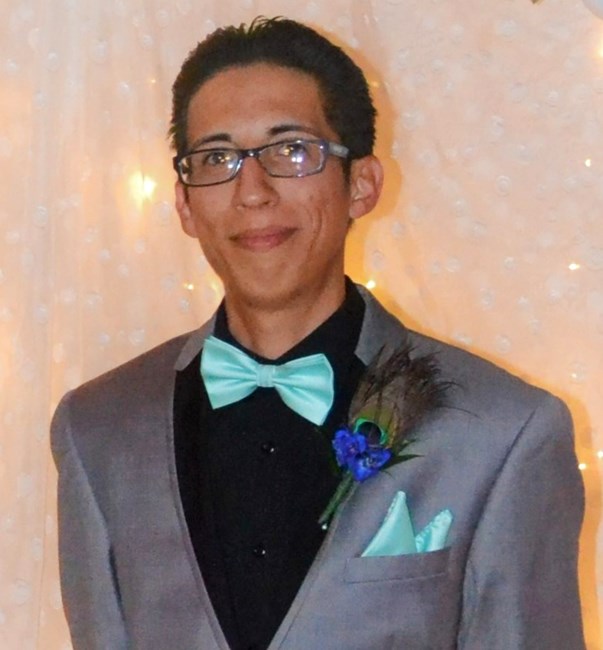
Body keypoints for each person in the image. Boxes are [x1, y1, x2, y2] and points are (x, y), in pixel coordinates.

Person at [51, 16, 585, 650]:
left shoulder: (504, 431)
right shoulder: (97, 430)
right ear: (185, 204)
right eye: (217, 158)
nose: (252, 192)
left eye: (291, 150)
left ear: (362, 183)